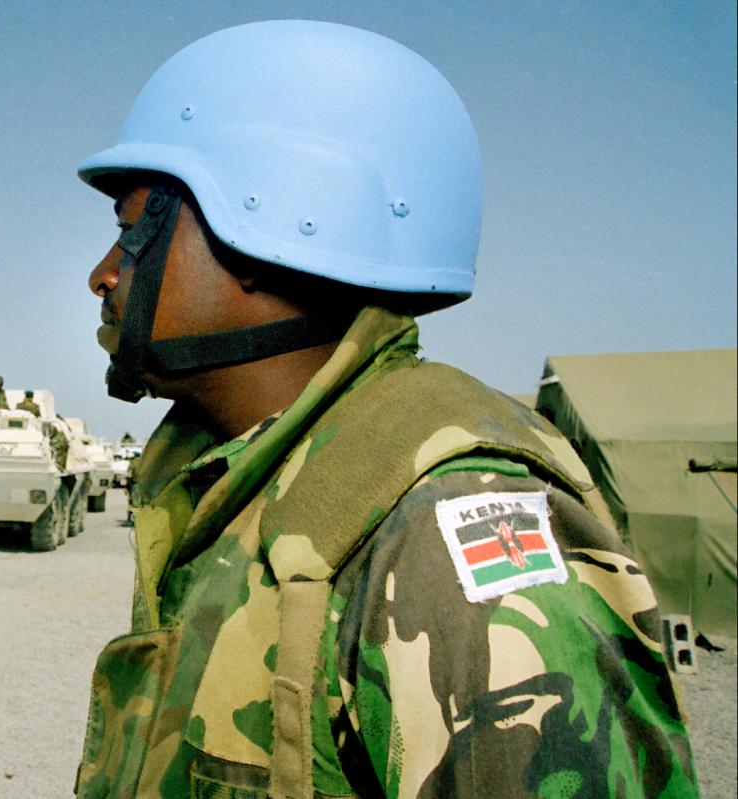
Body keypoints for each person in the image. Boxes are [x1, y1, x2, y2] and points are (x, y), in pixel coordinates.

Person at [73, 21, 693, 799]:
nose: (103, 275)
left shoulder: (440, 533)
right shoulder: (240, 483)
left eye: (132, 233)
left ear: (272, 222)